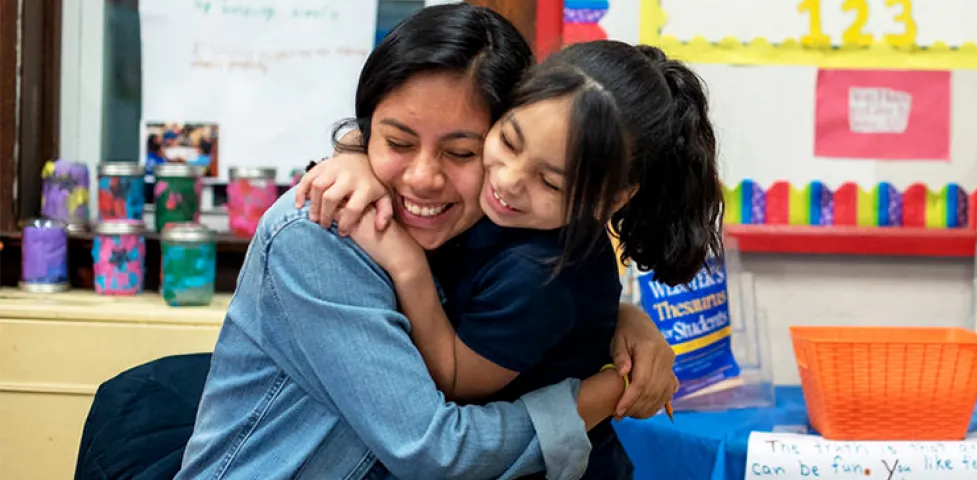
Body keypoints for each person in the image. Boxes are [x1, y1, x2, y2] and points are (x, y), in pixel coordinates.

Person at [176, 6, 676, 480]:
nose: (423, 178)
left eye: (462, 151)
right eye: (396, 142)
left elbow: (553, 291)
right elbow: (436, 451)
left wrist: (618, 320)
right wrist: (608, 389)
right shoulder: (322, 231)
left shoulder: (494, 227)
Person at [297, 40, 722, 479]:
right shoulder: (506, 217)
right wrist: (352, 153)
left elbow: (455, 380)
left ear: (612, 199)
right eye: (508, 141)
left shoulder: (542, 273)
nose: (509, 180)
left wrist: (407, 267)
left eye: (551, 182)